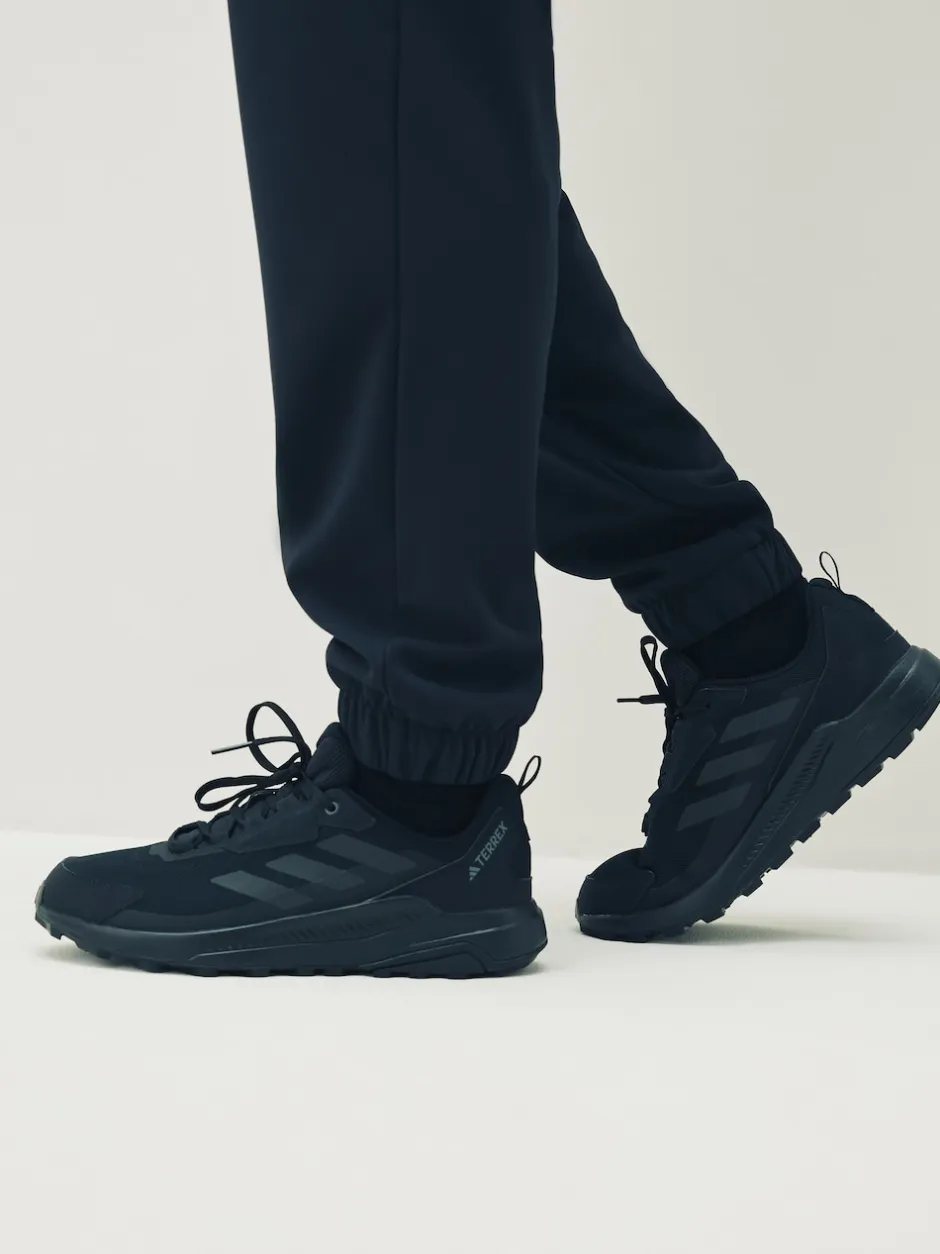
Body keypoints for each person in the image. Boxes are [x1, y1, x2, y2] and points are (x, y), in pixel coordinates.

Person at [34, 3, 939, 975]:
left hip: (419, 780)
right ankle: (747, 630)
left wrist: (420, 748)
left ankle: (411, 803)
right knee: (414, 109)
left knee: (377, 76)